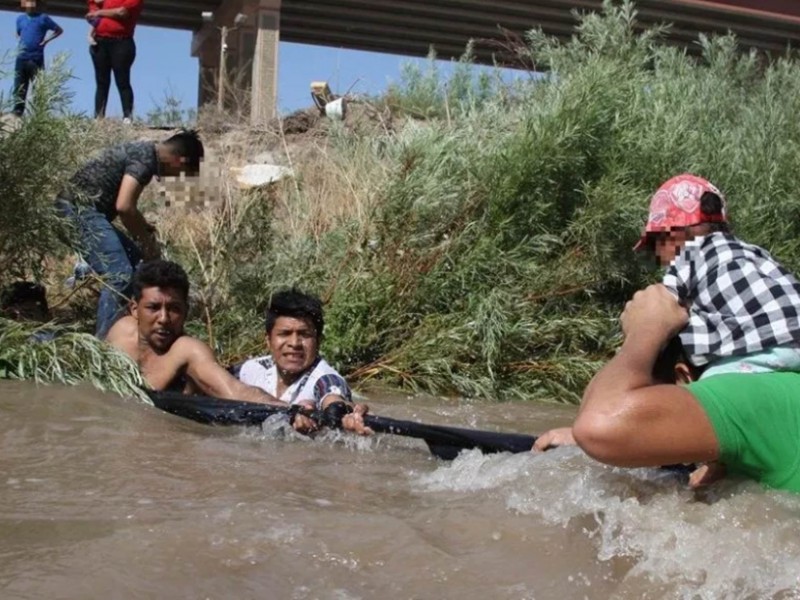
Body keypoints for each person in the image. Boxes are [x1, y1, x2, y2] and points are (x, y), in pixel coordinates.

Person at [572, 283, 800, 493]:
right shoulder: (780, 400)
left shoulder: (751, 397)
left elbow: (598, 425)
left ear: (683, 376)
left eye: (651, 400)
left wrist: (645, 329)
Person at [104, 260, 318, 434]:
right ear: (134, 309)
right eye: (153, 308)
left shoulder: (188, 351)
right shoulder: (119, 334)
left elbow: (233, 390)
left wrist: (289, 411)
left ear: (186, 311)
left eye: (174, 309)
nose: (164, 318)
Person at [56, 130, 204, 339]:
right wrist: (147, 242)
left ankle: (132, 329)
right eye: (180, 173)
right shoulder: (145, 160)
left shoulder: (142, 153)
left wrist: (144, 227)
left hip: (81, 211)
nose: (174, 179)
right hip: (77, 211)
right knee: (120, 275)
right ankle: (106, 343)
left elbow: (128, 209)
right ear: (179, 159)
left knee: (136, 265)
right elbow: (125, 206)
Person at [234, 288, 372, 435]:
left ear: (318, 341)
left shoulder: (324, 378)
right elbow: (215, 381)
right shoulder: (253, 368)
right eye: (285, 334)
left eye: (304, 334)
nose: (294, 343)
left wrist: (345, 413)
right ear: (268, 340)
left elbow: (334, 399)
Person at [85, 0, 143, 122]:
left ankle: (127, 116)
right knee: (101, 82)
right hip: (100, 41)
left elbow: (121, 12)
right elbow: (93, 11)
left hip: (122, 42)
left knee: (122, 81)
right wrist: (90, 32)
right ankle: (98, 118)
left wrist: (99, 12)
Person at [12, 0, 62, 117]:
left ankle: (39, 114)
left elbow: (58, 30)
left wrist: (46, 40)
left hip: (36, 58)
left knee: (38, 87)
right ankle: (17, 112)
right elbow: (18, 33)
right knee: (19, 86)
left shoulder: (43, 18)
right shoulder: (20, 19)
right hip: (21, 57)